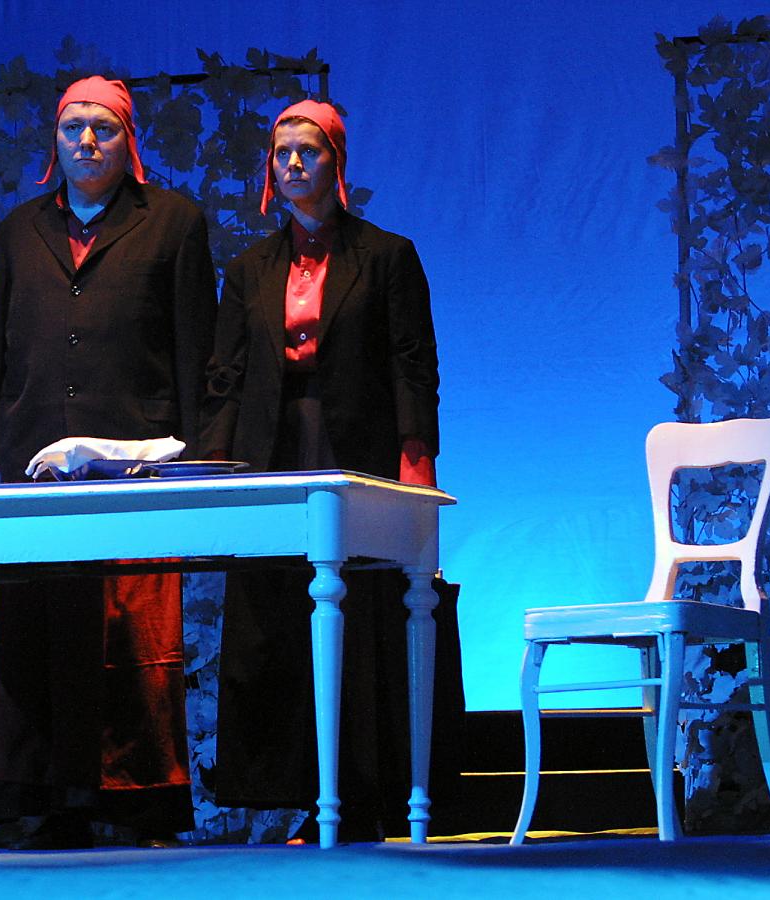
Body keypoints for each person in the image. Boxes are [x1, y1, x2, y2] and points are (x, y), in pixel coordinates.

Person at [200, 99, 462, 842]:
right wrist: (214, 465)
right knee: (277, 616)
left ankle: (363, 797)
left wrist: (416, 458)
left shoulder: (385, 256)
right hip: (269, 452)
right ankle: (295, 795)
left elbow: (413, 365)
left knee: (363, 613)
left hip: (356, 450)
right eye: (281, 152)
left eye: (307, 150)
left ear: (335, 163)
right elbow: (225, 375)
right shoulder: (249, 269)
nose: (292, 163)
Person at [0, 76, 217, 849]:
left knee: (130, 633)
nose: (85, 141)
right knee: (35, 628)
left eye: (102, 128)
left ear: (127, 139)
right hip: (33, 462)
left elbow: (194, 346)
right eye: (72, 126)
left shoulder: (170, 222)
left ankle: (141, 803)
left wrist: (200, 456)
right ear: (54, 138)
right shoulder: (20, 229)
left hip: (134, 461)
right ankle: (45, 801)